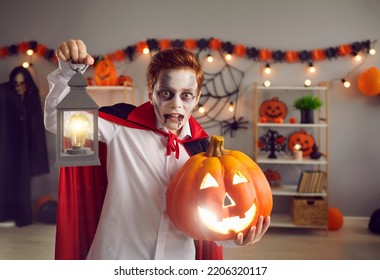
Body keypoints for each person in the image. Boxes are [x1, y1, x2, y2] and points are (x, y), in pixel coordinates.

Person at [44, 39, 270, 260]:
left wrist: (235, 237)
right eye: (166, 93)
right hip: (116, 257)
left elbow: (214, 215)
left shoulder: (203, 151)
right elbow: (56, 120)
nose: (176, 104)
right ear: (151, 91)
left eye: (186, 95)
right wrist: (67, 72)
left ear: (197, 97)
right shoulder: (120, 127)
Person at [0, 66, 49, 227]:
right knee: (6, 177)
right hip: (7, 143)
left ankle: (21, 216)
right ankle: (5, 214)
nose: (19, 86)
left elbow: (34, 122)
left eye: (23, 82)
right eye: (16, 83)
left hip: (24, 145)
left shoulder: (31, 96)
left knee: (22, 180)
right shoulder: (5, 93)